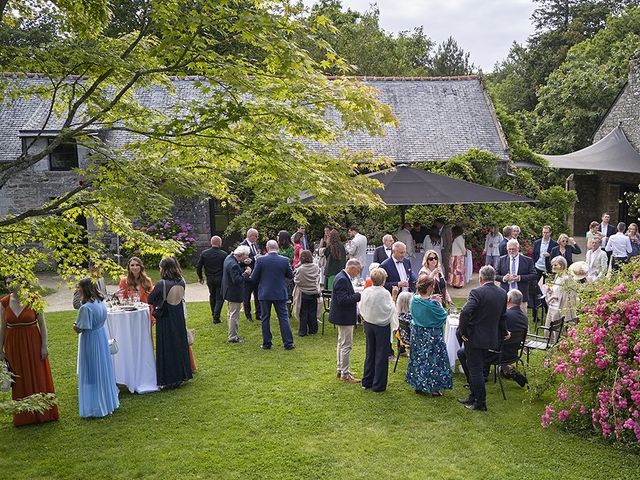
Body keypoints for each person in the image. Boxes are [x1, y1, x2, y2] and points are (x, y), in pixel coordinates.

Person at [0, 277, 59, 426]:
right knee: (18, 377)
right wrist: (0, 349)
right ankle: (23, 415)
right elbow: (3, 327)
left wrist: (44, 345)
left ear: (22, 282)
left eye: (11, 282)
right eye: (6, 283)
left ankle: (42, 412)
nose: (8, 285)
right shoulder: (4, 302)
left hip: (33, 342)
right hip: (13, 344)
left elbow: (42, 324)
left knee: (37, 373)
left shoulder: (34, 299)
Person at [457, 265, 508, 412]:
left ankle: (480, 403)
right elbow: (502, 317)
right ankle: (473, 395)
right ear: (493, 277)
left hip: (475, 338)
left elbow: (465, 312)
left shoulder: (477, 292)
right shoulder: (502, 293)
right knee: (466, 358)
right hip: (491, 338)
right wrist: (504, 332)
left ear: (480, 279)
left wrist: (463, 331)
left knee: (476, 370)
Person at [457, 289, 529, 388]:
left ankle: (473, 381)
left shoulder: (505, 316)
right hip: (513, 353)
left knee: (462, 352)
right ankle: (498, 372)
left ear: (509, 299)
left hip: (497, 353)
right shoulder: (524, 317)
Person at [73, 278, 119, 418]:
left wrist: (75, 326)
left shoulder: (85, 308)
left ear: (84, 289)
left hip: (90, 340)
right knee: (102, 369)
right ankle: (107, 402)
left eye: (78, 288)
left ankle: (96, 405)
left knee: (91, 370)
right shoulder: (100, 302)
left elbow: (80, 328)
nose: (77, 290)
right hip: (101, 336)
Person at [148, 257, 192, 389]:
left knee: (167, 346)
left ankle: (169, 378)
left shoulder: (162, 284)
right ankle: (182, 374)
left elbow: (151, 298)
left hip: (166, 317)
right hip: (177, 315)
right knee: (179, 344)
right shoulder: (181, 281)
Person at [405, 275, 452, 397]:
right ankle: (435, 388)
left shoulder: (414, 300)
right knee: (433, 361)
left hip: (417, 334)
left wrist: (431, 298)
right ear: (430, 287)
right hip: (432, 335)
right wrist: (439, 303)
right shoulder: (433, 306)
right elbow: (443, 316)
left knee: (419, 359)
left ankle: (418, 384)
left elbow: (422, 300)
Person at [251, 240, 295, 350]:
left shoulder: (260, 260)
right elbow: (290, 275)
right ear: (277, 248)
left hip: (265, 293)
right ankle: (288, 343)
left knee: (265, 318)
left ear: (267, 248)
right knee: (283, 318)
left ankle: (267, 343)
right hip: (280, 292)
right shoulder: (284, 260)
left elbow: (254, 277)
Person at [359, 268, 397, 392]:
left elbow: (361, 305)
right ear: (383, 280)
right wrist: (394, 297)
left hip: (369, 323)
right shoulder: (384, 293)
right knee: (381, 354)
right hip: (381, 325)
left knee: (370, 352)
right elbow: (389, 308)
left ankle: (367, 380)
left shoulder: (366, 291)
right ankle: (378, 384)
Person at [328, 258, 362, 383]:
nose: (358, 273)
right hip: (344, 317)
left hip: (342, 316)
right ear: (351, 267)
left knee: (341, 343)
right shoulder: (342, 279)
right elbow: (343, 300)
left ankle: (340, 368)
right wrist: (358, 296)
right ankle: (345, 373)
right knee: (346, 345)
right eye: (358, 270)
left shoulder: (341, 276)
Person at [222, 245, 253, 343]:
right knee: (234, 316)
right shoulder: (233, 264)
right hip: (234, 293)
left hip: (227, 291)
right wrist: (246, 273)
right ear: (241, 255)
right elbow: (237, 280)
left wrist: (243, 264)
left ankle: (232, 334)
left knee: (230, 314)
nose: (246, 258)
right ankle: (233, 337)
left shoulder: (229, 258)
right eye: (245, 256)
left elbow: (235, 269)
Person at [496, 239, 537, 312]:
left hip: (521, 295)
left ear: (518, 248)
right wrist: (504, 278)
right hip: (506, 294)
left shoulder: (527, 260)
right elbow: (495, 275)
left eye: (513, 249)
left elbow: (534, 275)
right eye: (509, 249)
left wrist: (520, 278)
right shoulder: (502, 260)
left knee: (521, 318)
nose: (511, 251)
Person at [196, 235, 227, 324]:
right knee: (219, 298)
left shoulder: (204, 253)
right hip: (220, 278)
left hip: (210, 278)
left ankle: (214, 313)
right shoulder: (223, 254)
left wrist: (200, 277)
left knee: (212, 296)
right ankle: (216, 317)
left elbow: (198, 266)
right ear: (220, 243)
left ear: (211, 242)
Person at [544, 256, 577, 334]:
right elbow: (557, 289)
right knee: (548, 329)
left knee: (557, 330)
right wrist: (550, 289)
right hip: (552, 305)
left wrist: (554, 297)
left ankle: (556, 344)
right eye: (552, 265)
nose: (553, 267)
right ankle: (550, 344)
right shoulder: (557, 276)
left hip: (559, 307)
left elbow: (569, 294)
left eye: (555, 265)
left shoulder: (567, 278)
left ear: (562, 265)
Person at [293, 250, 321, 336]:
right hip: (314, 292)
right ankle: (313, 329)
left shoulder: (301, 269)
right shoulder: (316, 267)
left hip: (304, 293)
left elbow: (297, 281)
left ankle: (303, 331)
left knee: (303, 312)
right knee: (313, 311)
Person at [241, 228, 262, 322]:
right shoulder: (242, 246)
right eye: (256, 236)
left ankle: (258, 314)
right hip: (248, 273)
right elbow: (242, 261)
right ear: (250, 236)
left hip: (256, 274)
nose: (257, 238)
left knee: (258, 295)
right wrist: (254, 257)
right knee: (247, 296)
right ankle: (248, 315)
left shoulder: (255, 245)